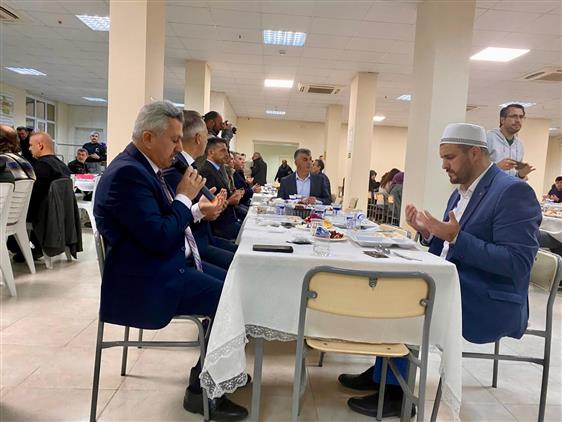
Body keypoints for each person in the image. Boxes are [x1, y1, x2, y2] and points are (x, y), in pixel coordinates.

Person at [339, 123, 541, 418]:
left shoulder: (513, 192)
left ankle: (396, 393)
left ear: (474, 153)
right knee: (395, 282)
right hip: (458, 284)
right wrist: (429, 233)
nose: (444, 166)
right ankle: (384, 372)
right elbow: (449, 248)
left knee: (409, 294)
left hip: (488, 297)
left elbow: (518, 263)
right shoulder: (461, 193)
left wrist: (456, 237)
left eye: (450, 157)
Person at [93, 101, 247, 421]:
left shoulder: (142, 168)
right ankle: (202, 392)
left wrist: (195, 210)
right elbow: (161, 236)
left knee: (236, 285)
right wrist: (185, 197)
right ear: (148, 138)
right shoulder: (128, 174)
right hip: (146, 279)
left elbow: (162, 223)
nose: (179, 147)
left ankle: (218, 370)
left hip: (160, 263)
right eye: (175, 139)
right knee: (229, 297)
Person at [164, 110, 237, 270]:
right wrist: (202, 211)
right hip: (191, 247)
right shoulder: (175, 168)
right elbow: (173, 214)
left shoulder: (188, 166)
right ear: (199, 138)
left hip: (203, 238)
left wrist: (211, 206)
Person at [199, 137, 244, 240]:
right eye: (223, 151)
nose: (227, 154)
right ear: (211, 152)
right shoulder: (207, 171)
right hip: (220, 227)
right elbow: (207, 206)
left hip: (228, 221)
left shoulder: (217, 169)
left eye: (227, 150)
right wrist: (230, 201)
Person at [487, 103, 535, 179]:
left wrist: (521, 175)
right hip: (490, 186)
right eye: (514, 116)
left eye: (521, 117)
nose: (518, 120)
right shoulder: (488, 138)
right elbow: (475, 171)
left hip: (510, 186)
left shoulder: (519, 145)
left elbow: (514, 177)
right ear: (502, 120)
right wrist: (497, 167)